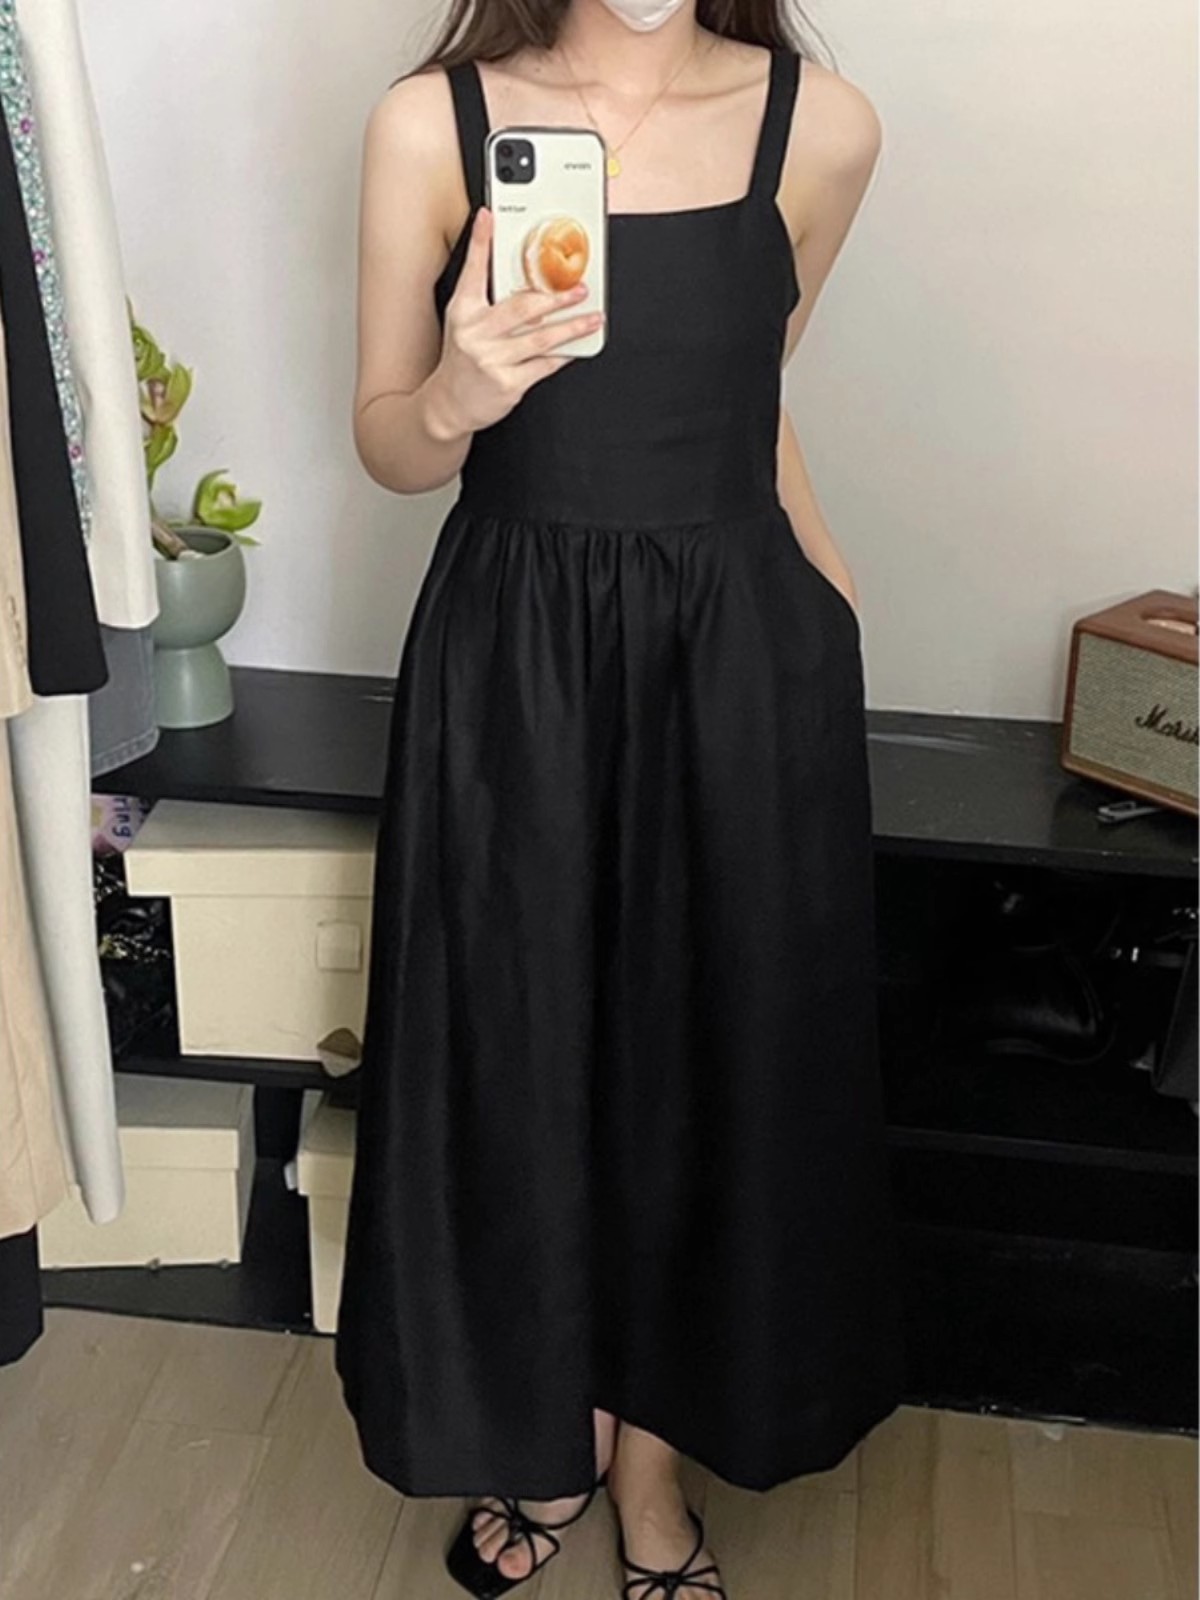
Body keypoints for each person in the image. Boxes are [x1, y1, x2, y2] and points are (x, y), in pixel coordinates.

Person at [334, 1, 907, 1595]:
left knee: (705, 1067)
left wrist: (828, 605)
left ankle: (652, 1466)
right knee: (519, 1059)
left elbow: (753, 389)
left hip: (737, 657)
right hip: (514, 660)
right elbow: (385, 442)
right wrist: (454, 394)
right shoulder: (431, 126)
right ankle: (551, 1434)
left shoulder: (825, 126)